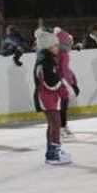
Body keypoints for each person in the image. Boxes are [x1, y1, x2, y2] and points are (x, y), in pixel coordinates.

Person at [33, 29, 72, 165]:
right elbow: (50, 82)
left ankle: (53, 150)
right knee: (55, 123)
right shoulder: (45, 61)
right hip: (46, 97)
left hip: (49, 97)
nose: (58, 48)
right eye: (55, 45)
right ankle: (53, 153)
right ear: (49, 46)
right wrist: (61, 84)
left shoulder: (48, 59)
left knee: (53, 123)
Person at [55, 28, 80, 138]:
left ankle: (63, 126)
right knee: (62, 105)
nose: (71, 44)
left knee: (63, 105)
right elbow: (63, 70)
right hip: (61, 82)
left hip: (61, 81)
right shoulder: (63, 54)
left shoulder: (60, 52)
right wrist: (69, 83)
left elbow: (66, 69)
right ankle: (61, 127)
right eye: (69, 42)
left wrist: (73, 79)